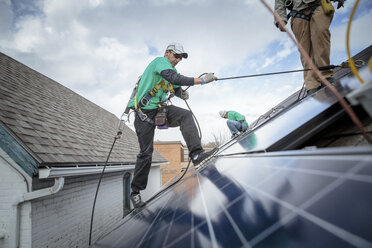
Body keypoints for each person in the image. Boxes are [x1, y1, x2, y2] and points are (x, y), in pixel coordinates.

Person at [127, 42, 218, 208]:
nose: (177, 60)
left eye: (180, 58)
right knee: (146, 153)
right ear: (167, 53)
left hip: (160, 111)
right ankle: (135, 192)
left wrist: (180, 92)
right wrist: (202, 80)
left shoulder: (171, 70)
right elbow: (174, 78)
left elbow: (174, 85)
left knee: (186, 116)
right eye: (176, 56)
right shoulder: (160, 62)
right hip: (144, 115)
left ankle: (196, 155)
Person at [274, 0, 344, 95]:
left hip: (318, 5)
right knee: (305, 50)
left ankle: (325, 74)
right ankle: (312, 85)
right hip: (297, 13)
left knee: (320, 35)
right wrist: (280, 19)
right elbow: (279, 2)